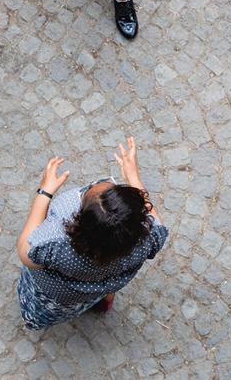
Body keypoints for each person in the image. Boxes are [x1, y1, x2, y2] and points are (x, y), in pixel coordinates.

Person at [15, 138, 169, 330]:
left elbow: (25, 252)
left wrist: (44, 193)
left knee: (46, 309)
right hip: (103, 285)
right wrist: (133, 178)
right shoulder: (150, 238)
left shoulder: (56, 246)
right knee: (98, 293)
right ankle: (104, 300)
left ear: (79, 222)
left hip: (62, 295)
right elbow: (153, 218)